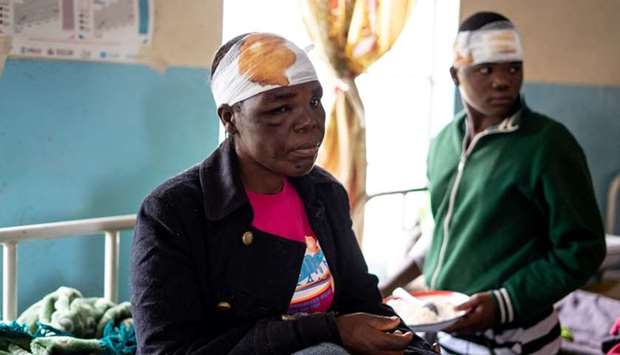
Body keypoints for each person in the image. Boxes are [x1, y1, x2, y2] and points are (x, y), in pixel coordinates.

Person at [130, 32, 436, 355]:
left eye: (314, 102)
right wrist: (328, 329)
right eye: (280, 109)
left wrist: (415, 348)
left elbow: (362, 304)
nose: (308, 121)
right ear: (230, 117)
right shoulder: (171, 213)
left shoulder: (325, 195)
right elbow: (166, 350)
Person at [380, 12, 606, 354]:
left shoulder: (547, 143)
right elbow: (444, 231)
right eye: (485, 69)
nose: (503, 81)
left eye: (513, 68)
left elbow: (583, 248)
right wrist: (384, 288)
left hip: (516, 339)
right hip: (447, 332)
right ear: (456, 74)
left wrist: (505, 302)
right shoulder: (444, 143)